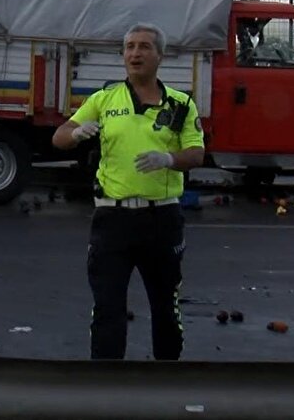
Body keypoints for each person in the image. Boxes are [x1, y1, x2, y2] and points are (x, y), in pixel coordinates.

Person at [52, 23, 206, 360]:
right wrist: (75, 134)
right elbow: (59, 136)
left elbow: (197, 154)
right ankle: (107, 381)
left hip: (161, 219)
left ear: (160, 55)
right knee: (107, 307)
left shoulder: (180, 104)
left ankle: (166, 377)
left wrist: (168, 159)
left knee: (165, 307)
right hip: (113, 219)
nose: (136, 53)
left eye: (145, 47)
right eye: (130, 47)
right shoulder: (104, 99)